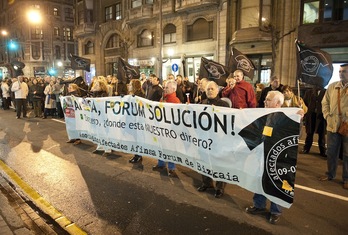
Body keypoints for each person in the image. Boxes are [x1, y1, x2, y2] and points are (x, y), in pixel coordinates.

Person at [245, 90, 302, 224]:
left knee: (276, 182)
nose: (264, 102)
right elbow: (250, 133)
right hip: (261, 154)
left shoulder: (287, 116)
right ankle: (259, 205)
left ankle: (275, 211)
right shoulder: (263, 114)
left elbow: (295, 136)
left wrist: (298, 119)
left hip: (278, 157)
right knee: (260, 180)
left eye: (268, 100)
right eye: (265, 99)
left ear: (277, 103)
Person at [197, 81, 229, 198]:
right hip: (204, 139)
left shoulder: (223, 105)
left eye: (212, 89)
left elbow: (227, 122)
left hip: (218, 140)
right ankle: (207, 183)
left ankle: (220, 187)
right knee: (205, 161)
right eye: (208, 89)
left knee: (219, 164)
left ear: (217, 90)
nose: (210, 91)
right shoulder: (202, 104)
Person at [319, 63, 348, 190]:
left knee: (347, 154)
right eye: (340, 71)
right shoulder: (332, 86)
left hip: (347, 125)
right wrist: (327, 116)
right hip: (332, 125)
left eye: (344, 71)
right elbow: (324, 102)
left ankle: (346, 178)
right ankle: (330, 174)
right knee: (331, 152)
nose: (341, 73)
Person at [152, 80, 180, 177]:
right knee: (161, 146)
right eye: (164, 87)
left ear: (173, 89)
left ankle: (172, 168)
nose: (164, 89)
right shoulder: (163, 98)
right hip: (162, 127)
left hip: (170, 129)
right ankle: (161, 164)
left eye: (167, 88)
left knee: (170, 148)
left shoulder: (175, 101)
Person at [301, 87, 326, 156]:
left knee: (322, 134)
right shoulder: (309, 92)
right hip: (311, 115)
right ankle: (306, 148)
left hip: (321, 116)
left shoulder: (326, 92)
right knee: (309, 133)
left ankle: (323, 150)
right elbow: (304, 103)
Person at [128, 79, 145, 163]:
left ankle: (138, 155)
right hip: (133, 119)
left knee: (137, 139)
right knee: (134, 139)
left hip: (138, 120)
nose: (129, 86)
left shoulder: (139, 96)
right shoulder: (132, 95)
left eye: (130, 85)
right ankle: (136, 154)